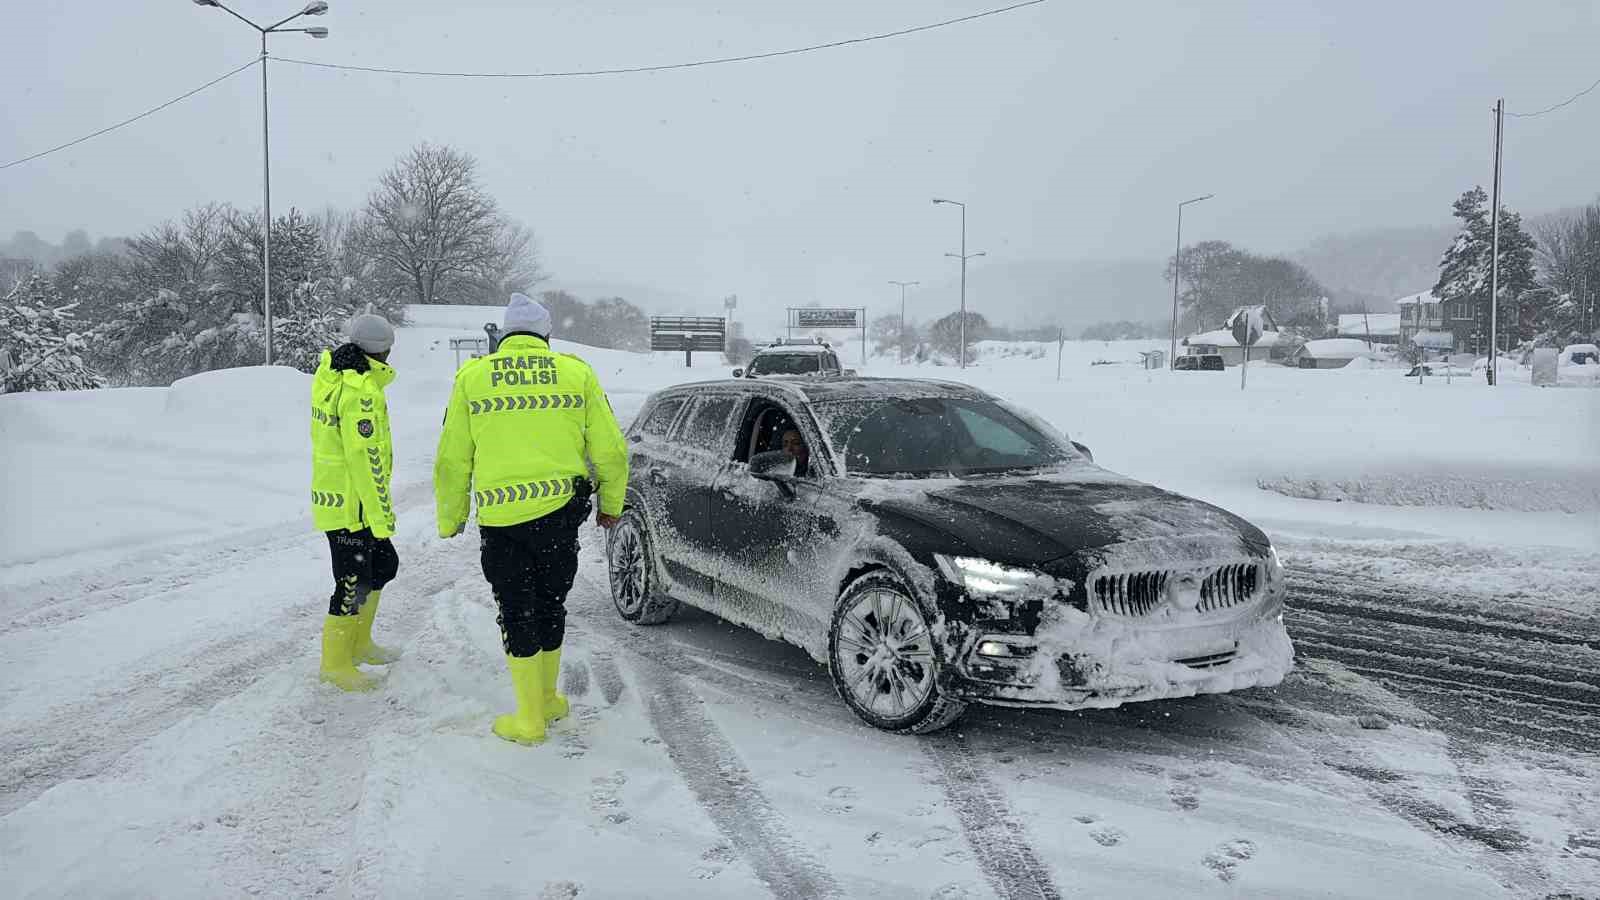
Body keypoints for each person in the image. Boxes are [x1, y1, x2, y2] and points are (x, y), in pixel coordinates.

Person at [435, 293, 629, 745]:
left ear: (504, 335)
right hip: (560, 517)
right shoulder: (576, 373)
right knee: (550, 605)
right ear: (545, 336)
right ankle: (547, 701)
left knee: (516, 610)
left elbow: (451, 459)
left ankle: (529, 719)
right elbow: (612, 450)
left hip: (502, 521)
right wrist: (611, 504)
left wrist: (452, 516)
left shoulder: (473, 377)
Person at [310, 313, 400, 692]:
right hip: (352, 506)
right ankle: (335, 663)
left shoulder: (335, 373)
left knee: (383, 567)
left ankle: (359, 644)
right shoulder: (358, 390)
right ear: (381, 351)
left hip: (343, 500)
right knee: (352, 581)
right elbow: (366, 459)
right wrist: (380, 516)